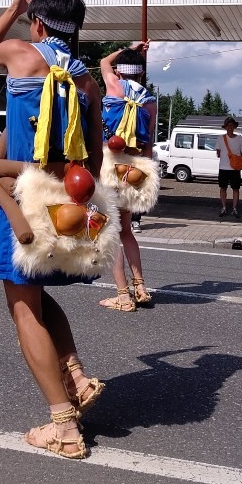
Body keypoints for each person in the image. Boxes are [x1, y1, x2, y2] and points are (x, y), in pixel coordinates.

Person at [0, 0, 104, 460]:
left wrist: (12, 6)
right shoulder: (85, 81)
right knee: (38, 294)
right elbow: (90, 159)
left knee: (23, 305)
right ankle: (75, 377)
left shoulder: (21, 55)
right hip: (63, 204)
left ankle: (63, 424)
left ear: (40, 23)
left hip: (22, 203)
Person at [99, 43, 157, 311]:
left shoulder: (114, 86)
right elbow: (149, 144)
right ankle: (140, 286)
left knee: (112, 232)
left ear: (119, 72)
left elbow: (103, 61)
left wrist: (129, 48)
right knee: (127, 232)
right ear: (142, 75)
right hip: (135, 168)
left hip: (111, 165)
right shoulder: (149, 101)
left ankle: (123, 295)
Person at [216, 116, 242, 218]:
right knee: (223, 188)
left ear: (234, 127)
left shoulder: (239, 138)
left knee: (236, 189)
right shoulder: (220, 138)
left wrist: (234, 158)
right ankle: (224, 207)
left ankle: (234, 208)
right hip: (223, 168)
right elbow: (218, 152)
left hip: (235, 168)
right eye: (228, 125)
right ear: (225, 127)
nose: (230, 127)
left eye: (231, 125)